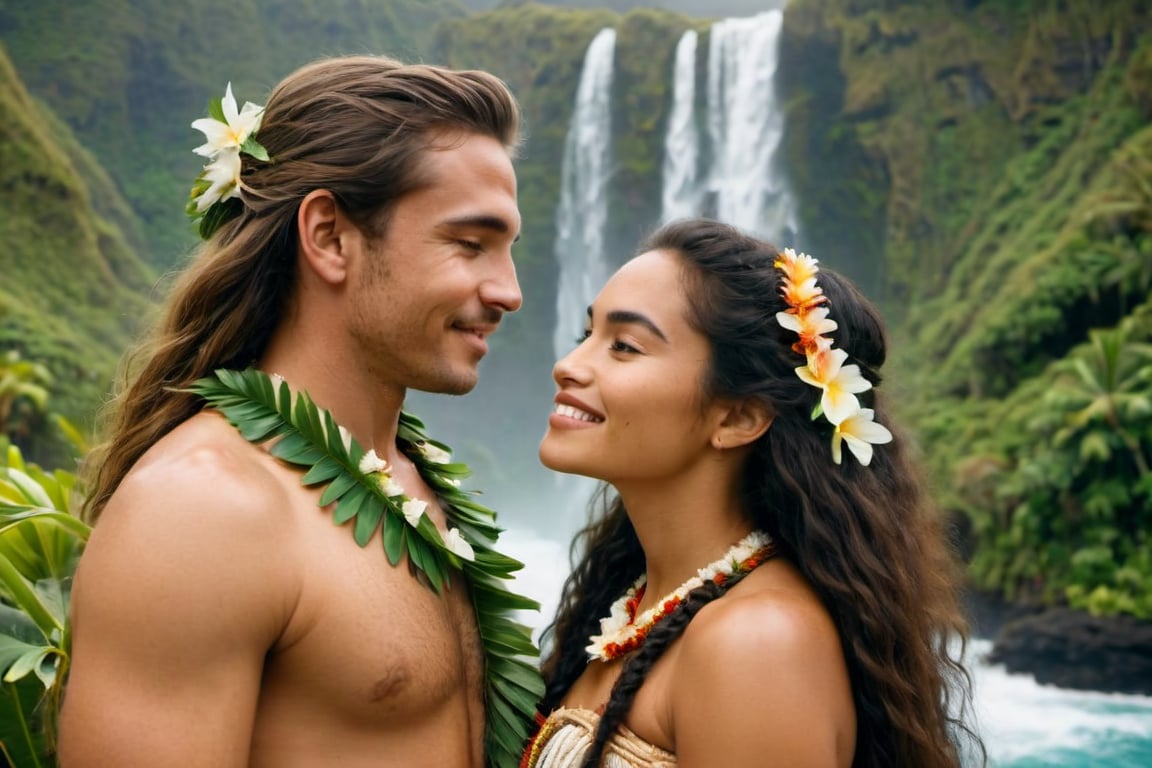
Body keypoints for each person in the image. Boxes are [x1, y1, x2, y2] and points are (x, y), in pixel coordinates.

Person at [59, 55, 542, 768]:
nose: (509, 291)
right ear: (328, 236)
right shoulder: (202, 511)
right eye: (469, 245)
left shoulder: (412, 484)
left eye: (507, 251)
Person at [525, 218, 985, 767]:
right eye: (587, 336)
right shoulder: (636, 602)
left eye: (623, 346)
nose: (568, 365)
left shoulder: (758, 642)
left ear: (739, 417)